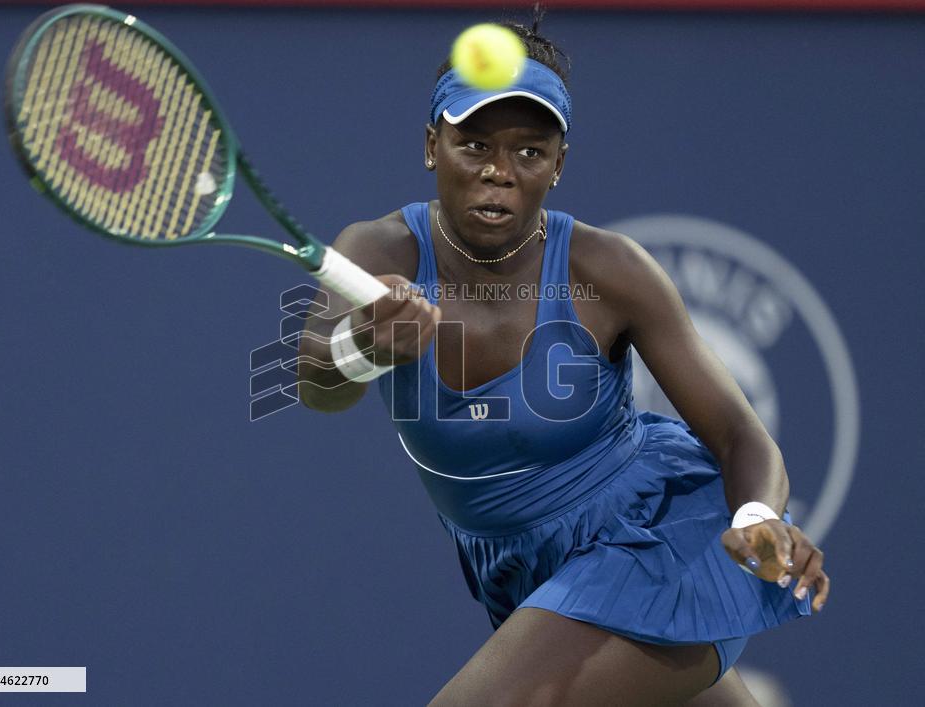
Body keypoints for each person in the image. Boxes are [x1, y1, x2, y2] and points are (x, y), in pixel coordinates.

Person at [297, 17, 828, 706]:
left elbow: (736, 431)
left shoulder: (609, 270)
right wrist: (362, 348)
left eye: (529, 151)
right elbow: (315, 382)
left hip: (659, 538)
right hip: (526, 570)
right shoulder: (376, 252)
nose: (499, 171)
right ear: (433, 147)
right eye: (475, 144)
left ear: (559, 164)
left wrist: (755, 514)